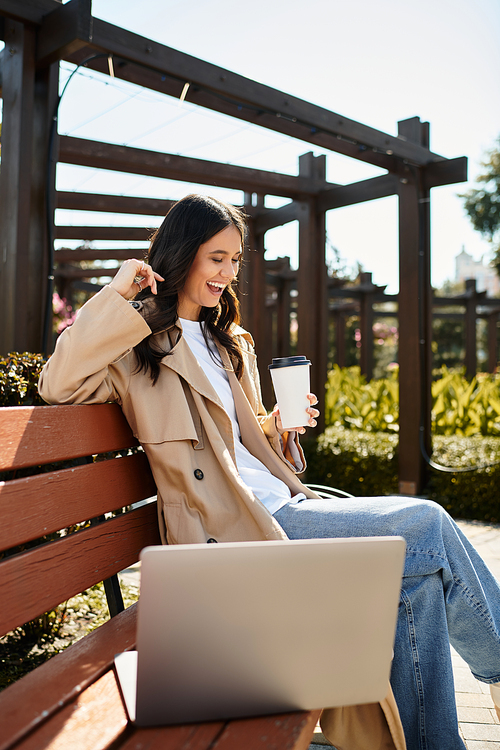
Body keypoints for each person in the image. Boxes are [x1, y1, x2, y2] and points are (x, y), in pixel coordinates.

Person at [39, 194, 500, 750]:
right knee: (426, 523)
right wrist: (117, 294)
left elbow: (239, 447)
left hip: (282, 510)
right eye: (216, 259)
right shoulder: (137, 350)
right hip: (229, 539)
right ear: (181, 256)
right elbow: (56, 382)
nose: (228, 273)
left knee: (417, 583)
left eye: (235, 260)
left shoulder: (226, 342)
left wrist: (279, 429)